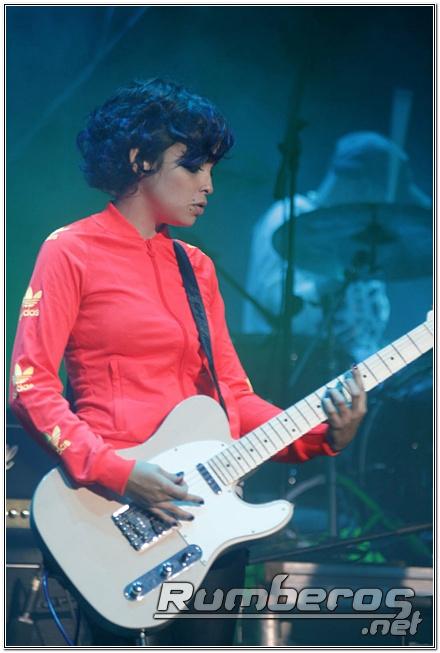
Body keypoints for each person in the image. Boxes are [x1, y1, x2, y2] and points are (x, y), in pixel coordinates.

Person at [9, 79, 367, 646]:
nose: (209, 185)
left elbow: (233, 399)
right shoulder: (70, 250)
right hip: (110, 512)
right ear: (139, 160)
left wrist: (323, 435)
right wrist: (118, 472)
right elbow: (29, 387)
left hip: (208, 513)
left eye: (212, 169)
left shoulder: (196, 267)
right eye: (194, 166)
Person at [242, 131, 432, 362]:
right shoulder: (287, 217)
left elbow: (366, 334)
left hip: (358, 374)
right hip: (295, 373)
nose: (386, 204)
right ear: (365, 187)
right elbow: (280, 310)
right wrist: (336, 277)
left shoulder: (363, 234)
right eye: (384, 193)